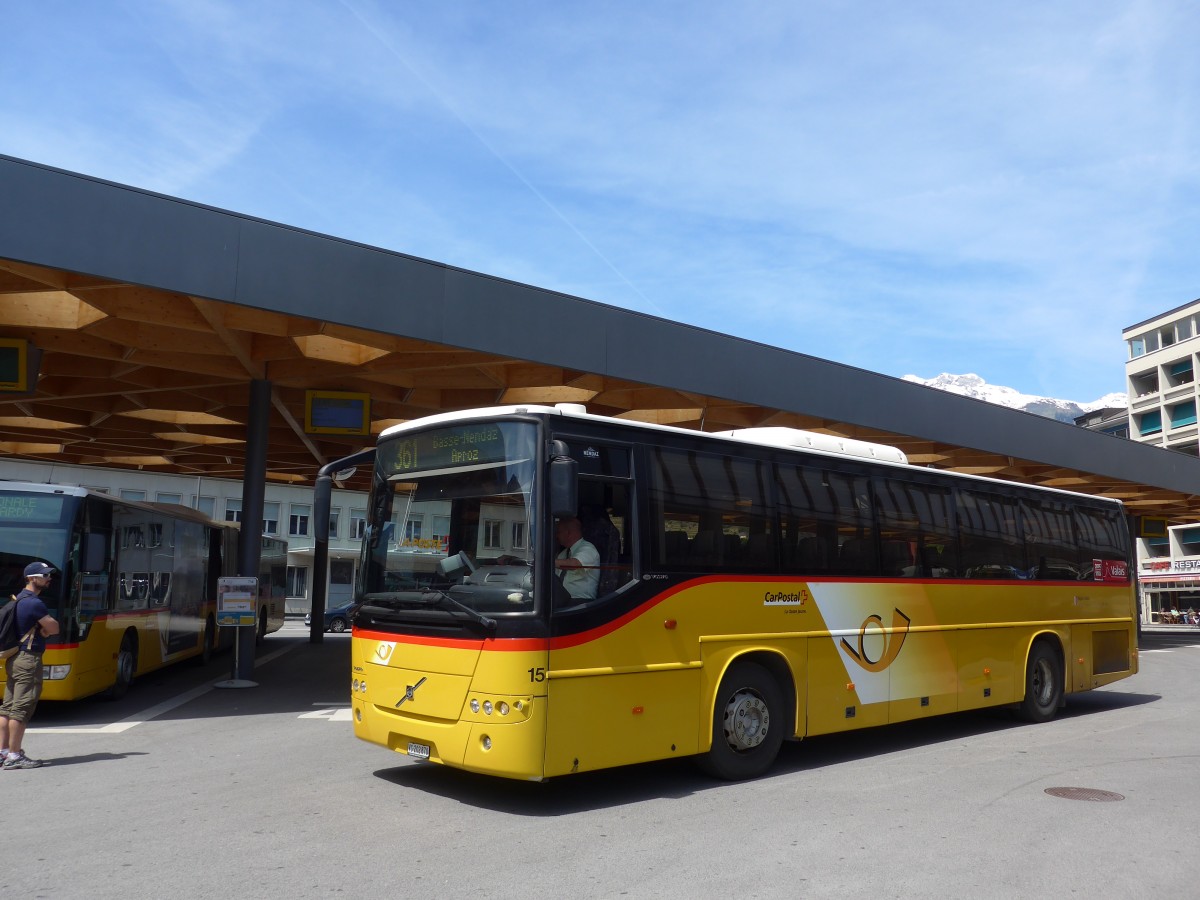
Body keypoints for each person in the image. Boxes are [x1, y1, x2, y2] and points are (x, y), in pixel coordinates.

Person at [1, 561, 60, 770]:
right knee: (21, 709)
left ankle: (4, 752)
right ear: (32, 578)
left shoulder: (17, 600)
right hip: (28, 659)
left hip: (15, 658)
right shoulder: (34, 603)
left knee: (7, 707)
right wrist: (46, 630)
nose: (48, 578)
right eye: (44, 576)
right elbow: (54, 627)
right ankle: (15, 756)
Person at [554, 517, 600, 601]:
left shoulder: (588, 548)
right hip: (563, 600)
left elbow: (575, 564)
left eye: (558, 532)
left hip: (581, 603)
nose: (556, 536)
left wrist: (547, 562)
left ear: (568, 533)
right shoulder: (563, 554)